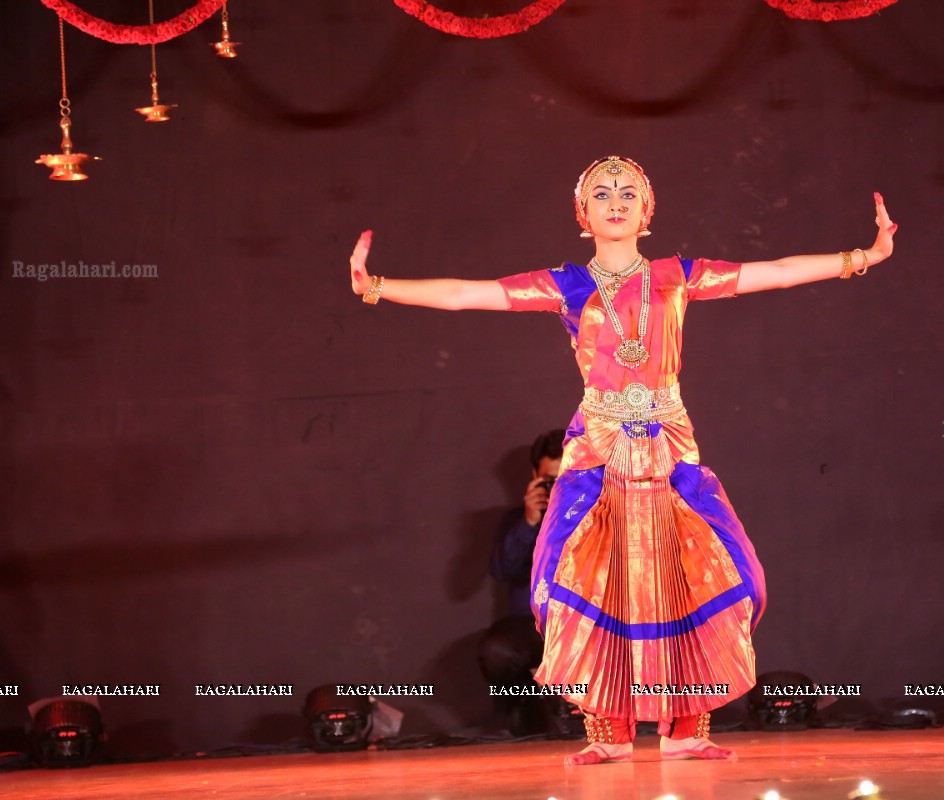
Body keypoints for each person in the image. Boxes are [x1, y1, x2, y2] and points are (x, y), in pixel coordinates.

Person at [348, 156, 897, 765]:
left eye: (628, 193)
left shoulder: (676, 277)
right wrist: (377, 286)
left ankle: (687, 726)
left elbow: (776, 272)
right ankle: (606, 735)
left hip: (670, 447)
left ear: (648, 211)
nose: (616, 202)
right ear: (583, 216)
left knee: (704, 577)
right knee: (583, 582)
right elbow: (465, 294)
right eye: (602, 194)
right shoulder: (564, 286)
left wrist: (862, 257)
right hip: (597, 453)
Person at [478, 430, 565, 736]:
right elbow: (502, 569)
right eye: (551, 480)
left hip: (589, 626)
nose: (558, 488)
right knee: (498, 650)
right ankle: (526, 708)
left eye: (566, 478)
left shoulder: (601, 514)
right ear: (535, 477)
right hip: (533, 627)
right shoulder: (518, 519)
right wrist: (530, 521)